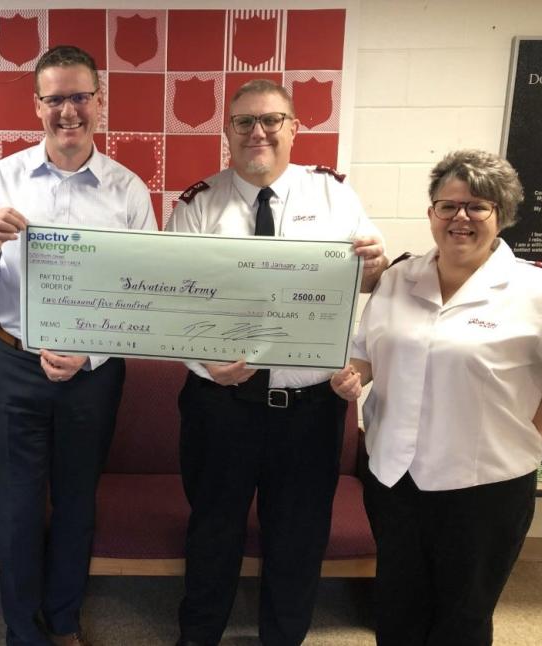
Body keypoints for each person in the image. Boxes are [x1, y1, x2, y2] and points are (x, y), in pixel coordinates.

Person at [330, 149, 542, 645]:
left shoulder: (541, 293)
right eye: (447, 205)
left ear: (501, 215)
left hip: (483, 487)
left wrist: (530, 418)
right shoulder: (397, 278)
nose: (460, 217)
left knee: (462, 618)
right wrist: (353, 375)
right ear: (431, 213)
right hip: (394, 478)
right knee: (395, 610)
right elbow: (367, 351)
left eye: (477, 206)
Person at [165, 79, 387, 646]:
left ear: (293, 127)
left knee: (299, 536)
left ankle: (283, 638)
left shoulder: (336, 197)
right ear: (227, 130)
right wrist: (204, 358)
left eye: (270, 120)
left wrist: (374, 269)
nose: (257, 132)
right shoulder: (196, 205)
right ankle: (199, 637)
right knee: (213, 530)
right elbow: (172, 302)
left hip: (308, 408)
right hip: (220, 403)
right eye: (243, 122)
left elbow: (372, 285)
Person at [0, 45, 156, 646]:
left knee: (75, 504)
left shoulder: (127, 190)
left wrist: (89, 353)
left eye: (79, 96)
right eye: (54, 98)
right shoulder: (2, 178)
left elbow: (141, 293)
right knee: (15, 508)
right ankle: (23, 633)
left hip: (94, 372)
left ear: (100, 100)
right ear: (36, 105)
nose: (68, 110)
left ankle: (63, 625)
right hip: (14, 363)